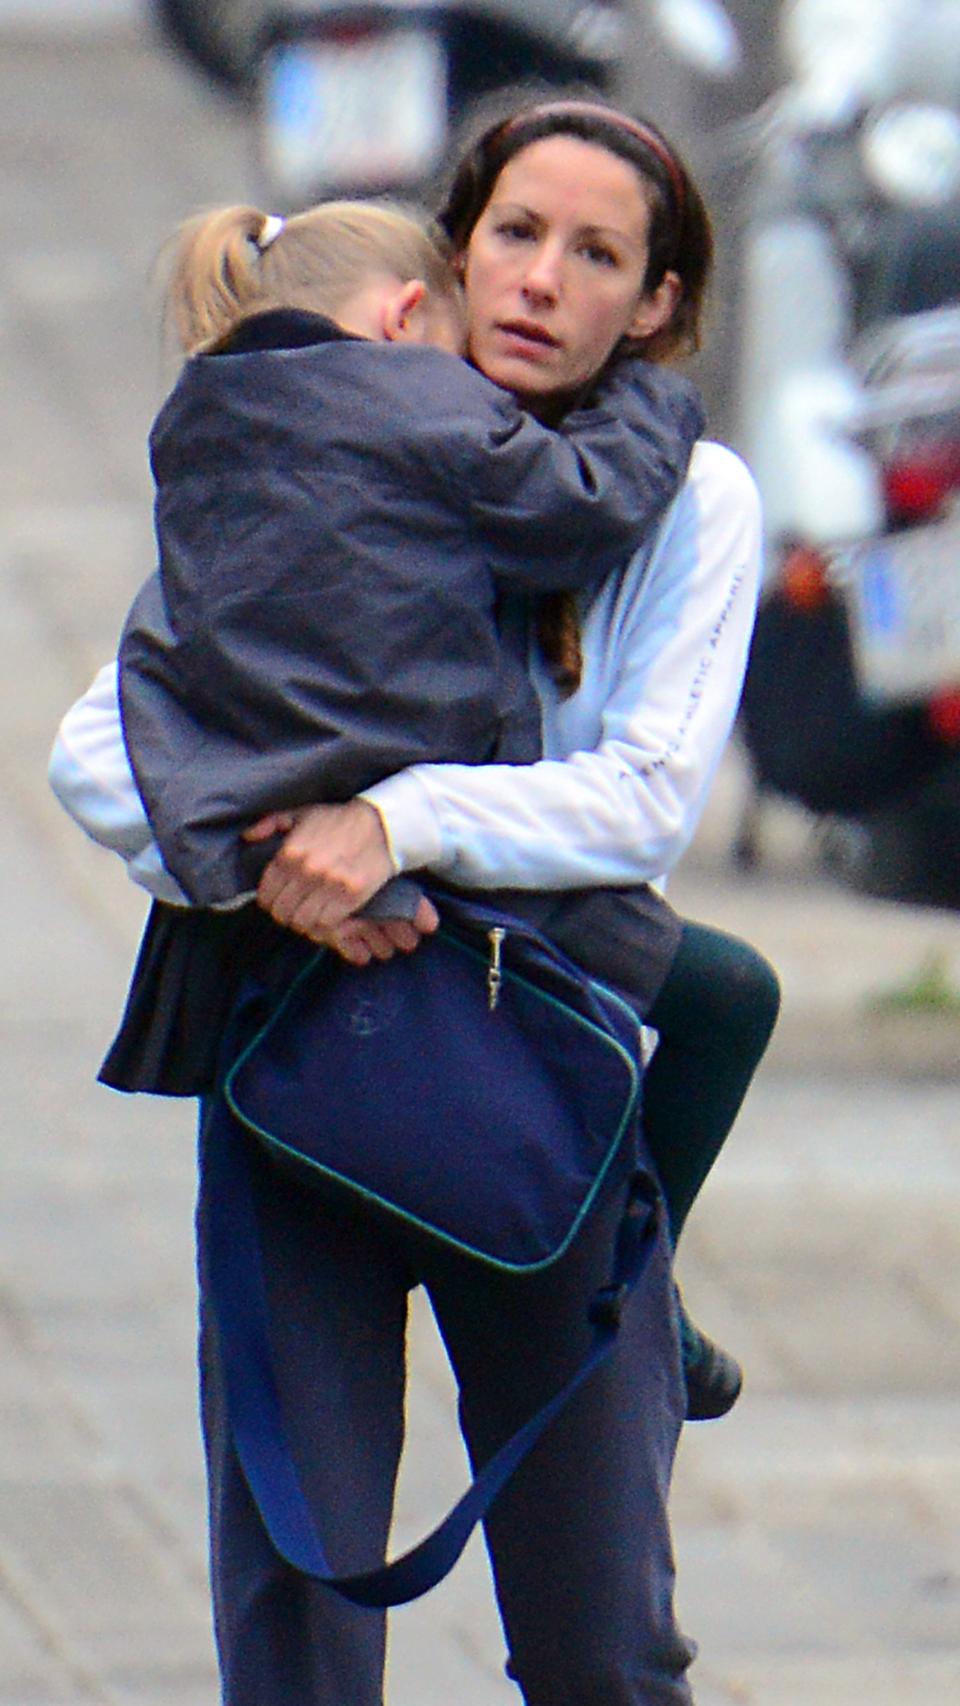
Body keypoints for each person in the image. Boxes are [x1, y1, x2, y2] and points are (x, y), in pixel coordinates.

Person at [50, 99, 780, 1706]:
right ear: (447, 263)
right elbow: (106, 745)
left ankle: (655, 1308)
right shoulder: (317, 444)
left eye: (598, 255)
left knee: (604, 1645)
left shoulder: (694, 499)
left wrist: (396, 823)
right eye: (515, 235)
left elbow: (647, 798)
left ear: (654, 302)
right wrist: (276, 868)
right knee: (294, 1621)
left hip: (541, 1079)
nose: (541, 282)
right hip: (300, 1051)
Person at [114, 197, 703, 907]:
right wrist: (648, 396)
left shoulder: (201, 421)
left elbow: (145, 667)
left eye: (596, 253)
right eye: (517, 232)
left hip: (239, 808)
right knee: (717, 987)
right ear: (405, 316)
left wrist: (258, 852)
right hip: (411, 794)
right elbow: (582, 502)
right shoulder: (419, 400)